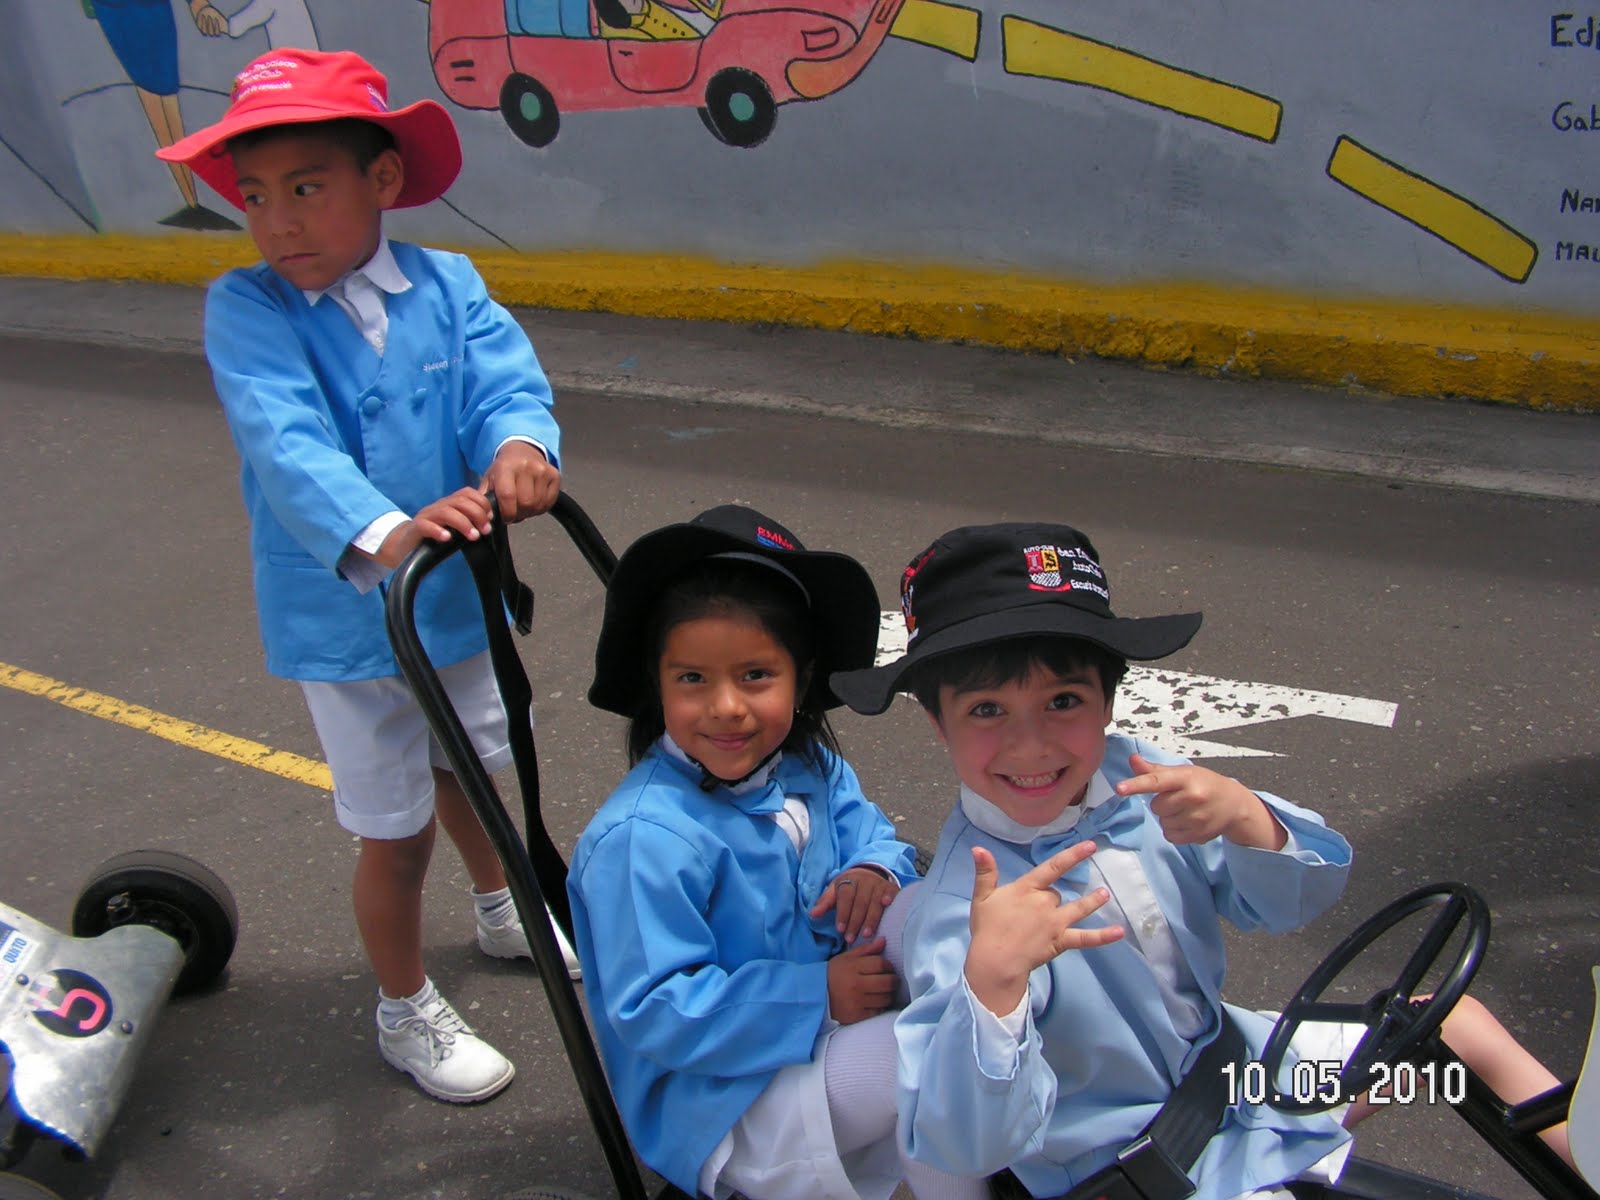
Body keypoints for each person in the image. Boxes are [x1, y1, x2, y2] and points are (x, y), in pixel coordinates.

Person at [830, 521, 1572, 1200]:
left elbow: (1291, 903)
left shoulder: (1141, 777)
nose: (1032, 747)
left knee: (1456, 1031)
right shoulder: (965, 914)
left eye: (1063, 701)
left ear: (1110, 699)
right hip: (1143, 1167)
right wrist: (993, 990)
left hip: (1249, 1075)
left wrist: (1253, 822)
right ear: (936, 723)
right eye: (987, 711)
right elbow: (964, 1141)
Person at [155, 47, 578, 1105]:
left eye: (306, 187)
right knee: (394, 830)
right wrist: (388, 532)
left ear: (381, 181)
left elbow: (499, 380)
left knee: (477, 768)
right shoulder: (246, 310)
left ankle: (501, 907)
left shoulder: (450, 282)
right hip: (347, 618)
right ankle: (405, 1009)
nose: (278, 221)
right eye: (256, 197)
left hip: (455, 594)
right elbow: (284, 440)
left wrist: (519, 445)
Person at [567, 505, 988, 1200]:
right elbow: (658, 1010)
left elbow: (874, 832)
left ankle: (1003, 1084)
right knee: (932, 1067)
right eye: (693, 680)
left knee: (939, 913)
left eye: (756, 675)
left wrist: (871, 868)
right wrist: (815, 996)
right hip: (723, 1100)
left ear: (802, 677)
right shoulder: (644, 838)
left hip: (827, 1019)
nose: (727, 708)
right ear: (657, 685)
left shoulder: (805, 764)